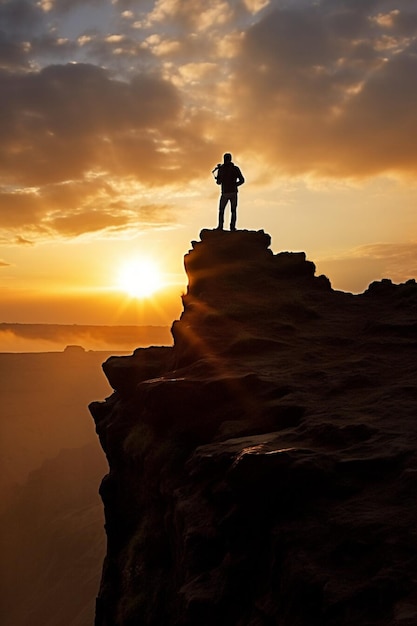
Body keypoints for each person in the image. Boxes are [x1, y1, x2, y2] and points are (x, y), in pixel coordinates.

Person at [213, 153, 245, 231]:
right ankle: (232, 227)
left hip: (225, 193)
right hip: (232, 192)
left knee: (222, 210)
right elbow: (242, 180)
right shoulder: (235, 169)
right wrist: (235, 185)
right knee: (232, 210)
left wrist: (217, 177)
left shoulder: (222, 169)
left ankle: (221, 227)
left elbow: (218, 182)